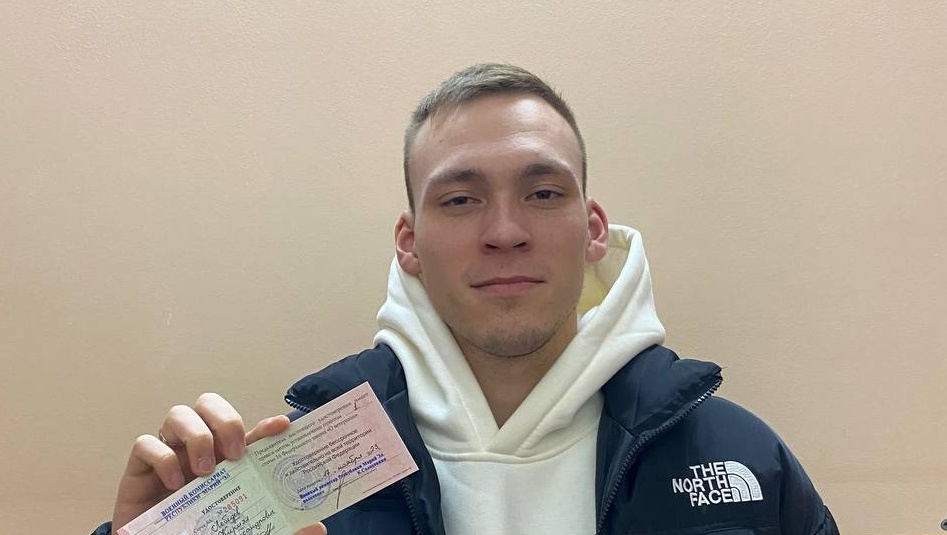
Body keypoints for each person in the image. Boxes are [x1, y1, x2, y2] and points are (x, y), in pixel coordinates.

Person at [92, 63, 839, 535]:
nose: (505, 232)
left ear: (593, 229)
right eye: (459, 199)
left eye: (542, 193)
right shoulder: (292, 475)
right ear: (409, 242)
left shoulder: (741, 459)